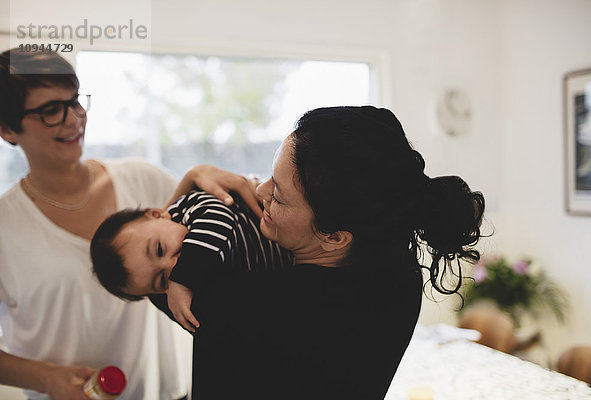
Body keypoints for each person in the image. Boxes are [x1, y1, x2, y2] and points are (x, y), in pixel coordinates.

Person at [0, 48, 260, 400]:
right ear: (7, 129)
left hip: (166, 393)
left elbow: (193, 233)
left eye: (75, 101)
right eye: (50, 111)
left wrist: (195, 177)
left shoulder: (141, 179)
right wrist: (47, 379)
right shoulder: (5, 226)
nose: (75, 118)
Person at [184, 106, 485, 399]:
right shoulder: (400, 275)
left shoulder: (255, 302)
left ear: (335, 237)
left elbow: (142, 263)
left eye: (278, 195)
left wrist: (192, 178)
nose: (261, 191)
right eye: (270, 176)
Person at [89, 190, 293, 332]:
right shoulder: (185, 296)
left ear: (157, 214)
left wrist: (181, 280)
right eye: (161, 281)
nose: (171, 266)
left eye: (159, 249)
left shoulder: (189, 208)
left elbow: (220, 219)